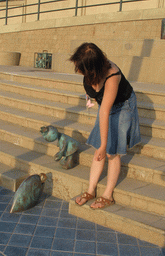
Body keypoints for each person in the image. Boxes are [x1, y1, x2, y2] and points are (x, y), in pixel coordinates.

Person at [70, 42, 141, 209]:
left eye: (79, 66)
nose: (76, 68)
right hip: (106, 105)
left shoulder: (112, 75)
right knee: (99, 149)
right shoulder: (90, 73)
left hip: (123, 106)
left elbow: (105, 111)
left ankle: (108, 195)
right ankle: (91, 190)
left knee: (111, 151)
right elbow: (98, 100)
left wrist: (104, 145)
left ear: (91, 67)